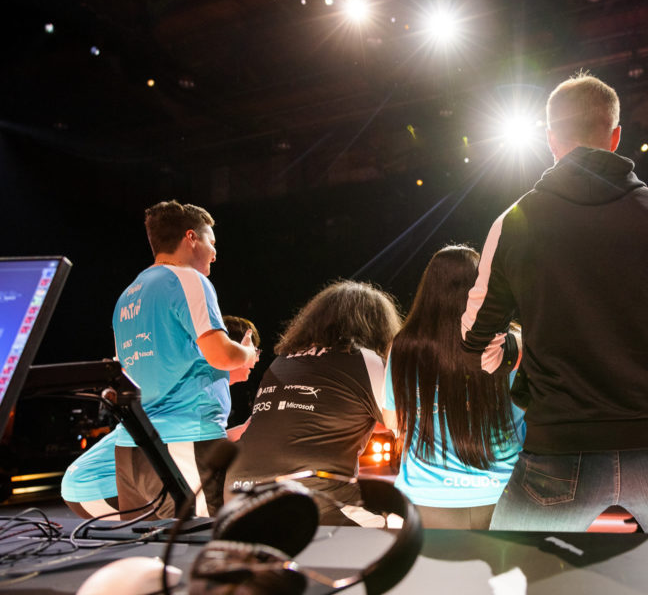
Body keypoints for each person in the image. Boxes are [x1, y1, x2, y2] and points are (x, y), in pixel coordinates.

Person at [460, 72, 648, 533]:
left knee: (513, 590)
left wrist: (520, 344)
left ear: (551, 139)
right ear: (615, 136)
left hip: (558, 448)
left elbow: (473, 336)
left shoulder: (512, 223)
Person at [112, 201, 257, 519]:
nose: (215, 254)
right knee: (198, 553)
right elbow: (222, 354)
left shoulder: (127, 297)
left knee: (148, 554)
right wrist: (247, 352)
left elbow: (125, 371)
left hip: (131, 449)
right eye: (212, 243)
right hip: (184, 444)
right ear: (191, 237)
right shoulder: (188, 280)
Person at [225, 280, 402, 526]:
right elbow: (404, 424)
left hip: (237, 495)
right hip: (308, 498)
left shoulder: (281, 361)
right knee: (402, 528)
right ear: (378, 327)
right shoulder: (366, 360)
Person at [383, 246, 526, 530]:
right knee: (506, 574)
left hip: (426, 499)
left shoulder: (403, 347)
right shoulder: (514, 343)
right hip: (504, 495)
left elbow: (393, 421)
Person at [63, 316, 261, 519]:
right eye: (255, 350)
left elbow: (182, 445)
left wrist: (234, 433)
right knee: (196, 523)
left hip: (85, 483)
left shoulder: (193, 385)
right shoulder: (203, 389)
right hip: (91, 485)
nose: (256, 358)